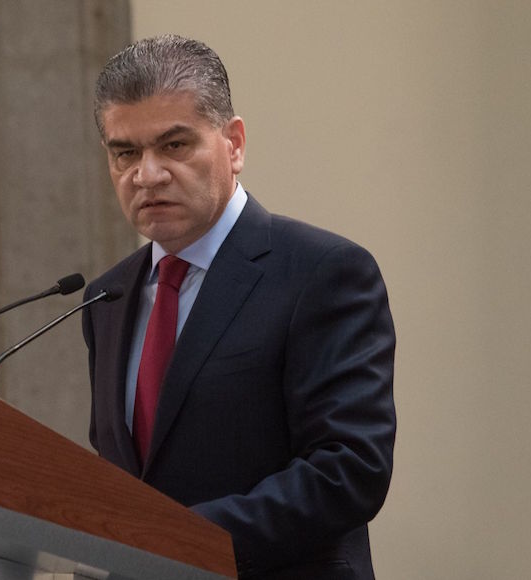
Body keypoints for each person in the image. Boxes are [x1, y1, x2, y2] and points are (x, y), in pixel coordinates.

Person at [81, 35, 396, 580]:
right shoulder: (106, 298)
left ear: (234, 144)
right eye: (125, 153)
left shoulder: (322, 272)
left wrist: (180, 542)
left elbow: (349, 469)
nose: (147, 174)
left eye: (174, 145)